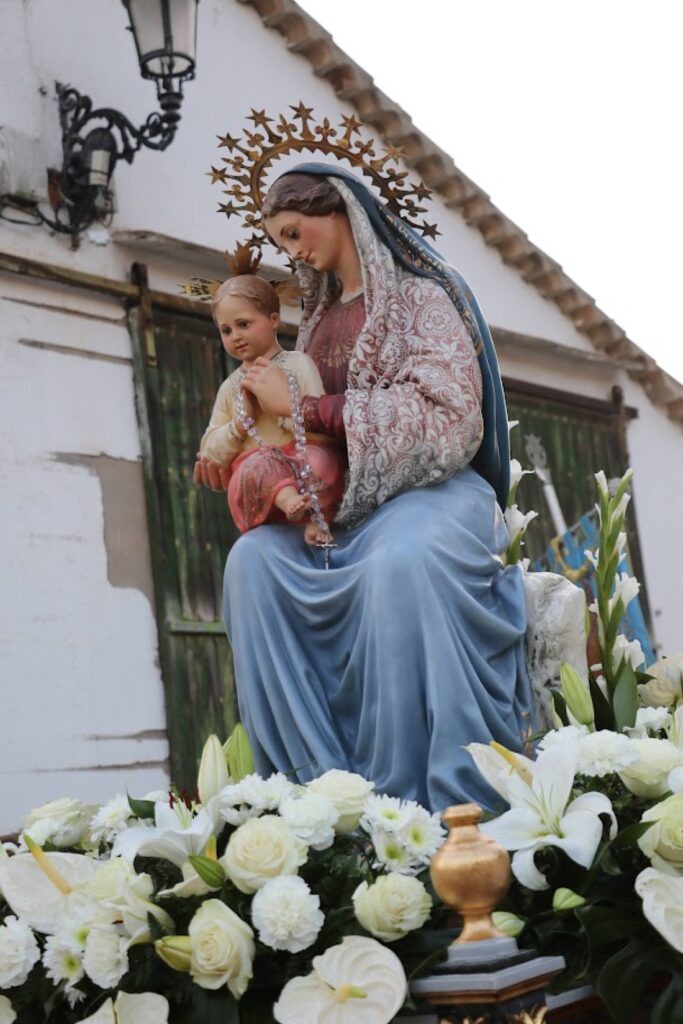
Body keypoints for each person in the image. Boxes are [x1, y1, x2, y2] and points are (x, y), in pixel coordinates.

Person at [196, 163, 534, 813]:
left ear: (341, 210)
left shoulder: (422, 300)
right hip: (342, 507)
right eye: (281, 241)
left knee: (399, 560)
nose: (292, 251)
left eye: (295, 232)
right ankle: (317, 799)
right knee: (253, 564)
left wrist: (311, 412)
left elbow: (450, 419)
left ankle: (424, 800)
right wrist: (242, 450)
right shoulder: (316, 326)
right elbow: (288, 431)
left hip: (430, 492)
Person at [198, 274, 346, 545]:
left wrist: (284, 410)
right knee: (256, 467)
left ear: (274, 320)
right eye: (226, 330)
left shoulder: (298, 364)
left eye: (244, 324)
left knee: (322, 461)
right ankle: (287, 500)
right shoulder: (230, 388)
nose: (236, 336)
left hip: (301, 457)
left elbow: (321, 428)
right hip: (259, 471)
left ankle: (315, 518)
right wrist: (240, 425)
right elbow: (210, 451)